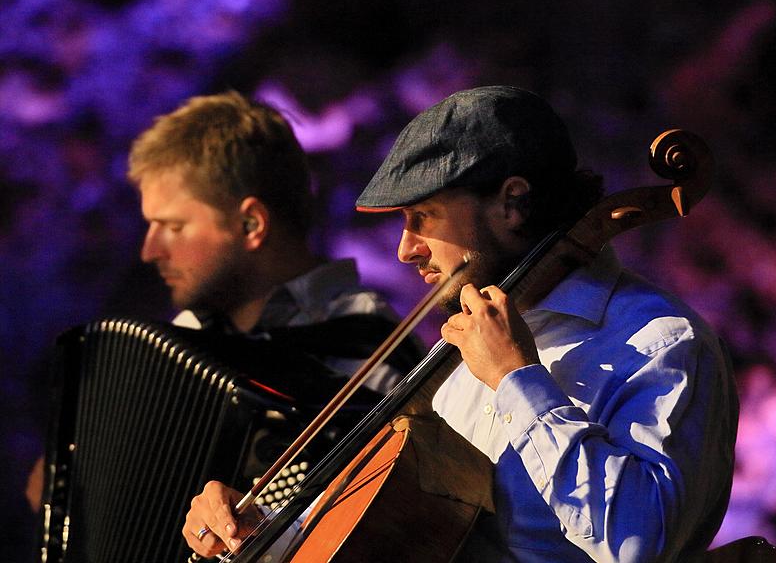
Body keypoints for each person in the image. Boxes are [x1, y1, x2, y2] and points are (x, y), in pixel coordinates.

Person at [183, 86, 738, 563]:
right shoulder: (464, 356)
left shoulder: (660, 342)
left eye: (422, 217)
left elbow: (639, 543)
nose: (405, 249)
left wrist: (519, 381)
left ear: (512, 203)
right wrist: (269, 535)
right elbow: (396, 536)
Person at [127, 90, 409, 394]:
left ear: (252, 225)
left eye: (174, 226)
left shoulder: (367, 346)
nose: (150, 252)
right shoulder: (186, 336)